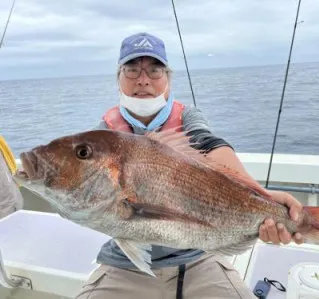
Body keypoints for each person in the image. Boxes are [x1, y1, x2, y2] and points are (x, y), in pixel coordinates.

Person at [75, 32, 304, 299]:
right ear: (118, 78)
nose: (143, 79)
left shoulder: (186, 116)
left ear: (168, 80)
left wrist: (259, 196)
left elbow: (209, 144)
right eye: (132, 69)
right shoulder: (103, 136)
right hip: (123, 262)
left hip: (197, 257)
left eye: (154, 70)